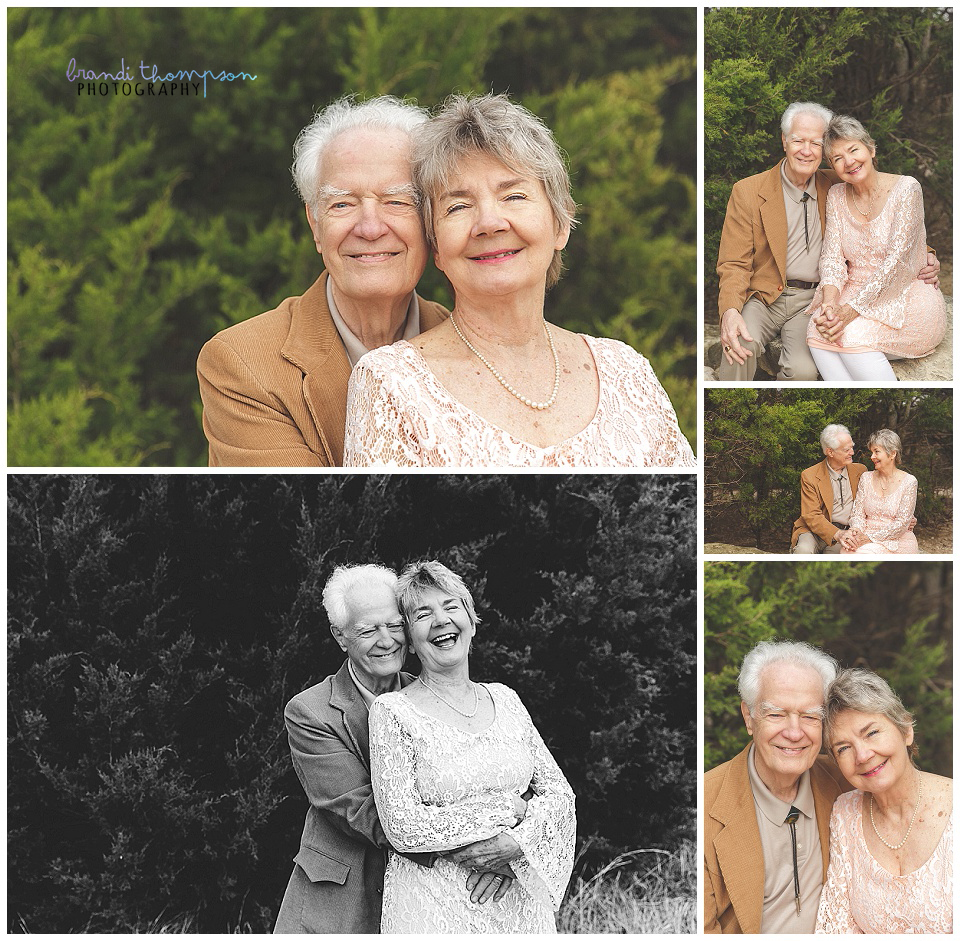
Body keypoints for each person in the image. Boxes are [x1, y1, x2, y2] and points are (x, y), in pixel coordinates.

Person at [343, 93, 694, 468]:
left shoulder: (628, 373)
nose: (490, 223)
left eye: (513, 195)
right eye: (458, 206)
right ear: (437, 248)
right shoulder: (392, 385)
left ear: (561, 225)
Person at [197, 97, 449, 466]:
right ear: (316, 225)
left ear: (431, 220)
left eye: (397, 201)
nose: (370, 227)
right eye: (342, 205)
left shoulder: (470, 345)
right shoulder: (242, 363)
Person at [274, 564, 507, 933]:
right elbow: (359, 810)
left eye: (396, 625)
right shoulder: (310, 712)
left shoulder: (433, 698)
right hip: (342, 898)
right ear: (340, 636)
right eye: (368, 630)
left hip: (430, 895)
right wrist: (479, 851)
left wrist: (510, 840)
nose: (387, 641)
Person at [368, 561, 576, 932]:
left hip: (518, 907)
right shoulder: (393, 712)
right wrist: (504, 808)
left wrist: (515, 847)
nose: (441, 621)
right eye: (423, 614)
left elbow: (560, 794)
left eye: (451, 606)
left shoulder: (506, 698)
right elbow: (402, 824)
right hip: (436, 907)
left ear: (471, 620)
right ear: (410, 641)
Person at [716, 103, 939, 381]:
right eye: (798, 140)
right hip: (765, 297)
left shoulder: (838, 182)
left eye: (816, 143)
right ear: (784, 141)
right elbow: (733, 263)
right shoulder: (748, 191)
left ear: (825, 153)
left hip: (812, 299)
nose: (806, 150)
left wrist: (927, 253)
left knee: (803, 370)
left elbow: (889, 222)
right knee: (741, 346)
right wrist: (729, 311)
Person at [704, 640, 850, 934]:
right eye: (776, 714)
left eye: (810, 716)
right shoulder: (706, 805)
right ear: (749, 717)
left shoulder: (846, 782)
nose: (795, 732)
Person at [806, 116, 947, 381]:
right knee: (817, 329)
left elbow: (898, 264)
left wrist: (848, 313)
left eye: (853, 150)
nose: (849, 162)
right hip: (853, 290)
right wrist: (828, 304)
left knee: (851, 334)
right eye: (837, 158)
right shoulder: (836, 195)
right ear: (832, 166)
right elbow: (832, 259)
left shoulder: (907, 189)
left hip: (906, 294)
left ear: (871, 149)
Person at [816, 669, 952, 933]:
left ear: (905, 730)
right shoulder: (844, 814)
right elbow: (837, 930)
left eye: (871, 733)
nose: (863, 755)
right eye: (843, 748)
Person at [840, 429, 919, 555]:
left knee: (862, 554)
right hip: (865, 535)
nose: (872, 457)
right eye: (872, 452)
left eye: (876, 452)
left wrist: (869, 538)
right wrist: (856, 532)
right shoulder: (866, 478)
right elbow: (858, 514)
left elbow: (902, 523)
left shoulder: (909, 482)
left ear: (892, 454)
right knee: (846, 550)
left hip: (896, 540)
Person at [791, 424, 867, 554]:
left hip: (846, 532)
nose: (852, 453)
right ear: (830, 452)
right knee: (803, 551)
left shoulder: (861, 471)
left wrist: (905, 517)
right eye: (846, 450)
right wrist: (837, 534)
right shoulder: (809, 475)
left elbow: (878, 496)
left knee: (839, 557)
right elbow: (811, 515)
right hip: (812, 531)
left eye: (852, 448)